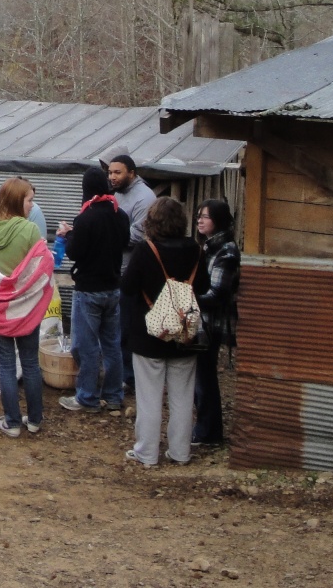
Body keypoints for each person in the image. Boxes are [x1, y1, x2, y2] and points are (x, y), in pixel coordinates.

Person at [121, 197, 210, 466]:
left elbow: (127, 287)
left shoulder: (145, 250)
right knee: (183, 398)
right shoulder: (196, 250)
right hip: (184, 334)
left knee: (149, 398)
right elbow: (203, 287)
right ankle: (180, 452)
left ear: (152, 221)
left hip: (148, 334)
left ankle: (147, 453)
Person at [0, 177, 56, 437]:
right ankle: (35, 420)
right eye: (29, 199)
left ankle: (12, 422)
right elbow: (43, 266)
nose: (32, 205)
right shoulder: (29, 232)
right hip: (26, 310)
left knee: (5, 364)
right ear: (17, 200)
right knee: (29, 363)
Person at [55, 167, 130, 413]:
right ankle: (114, 395)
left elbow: (76, 253)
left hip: (89, 290)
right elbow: (122, 242)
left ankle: (87, 396)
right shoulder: (120, 215)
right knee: (111, 344)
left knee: (85, 346)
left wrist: (68, 235)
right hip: (113, 289)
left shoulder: (86, 218)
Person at [193, 198, 240, 446]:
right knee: (201, 377)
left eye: (205, 216)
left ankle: (208, 433)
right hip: (202, 321)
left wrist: (187, 299)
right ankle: (205, 430)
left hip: (211, 324)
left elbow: (217, 293)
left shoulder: (226, 251)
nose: (199, 220)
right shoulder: (210, 247)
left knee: (205, 379)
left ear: (218, 221)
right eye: (199, 215)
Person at [109, 153, 156, 389]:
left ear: (132, 173)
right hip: (115, 268)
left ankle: (130, 377)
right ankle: (120, 373)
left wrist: (107, 234)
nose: (113, 177)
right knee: (116, 325)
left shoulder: (144, 198)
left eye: (117, 172)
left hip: (131, 272)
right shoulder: (117, 193)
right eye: (110, 172)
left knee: (127, 325)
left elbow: (138, 235)